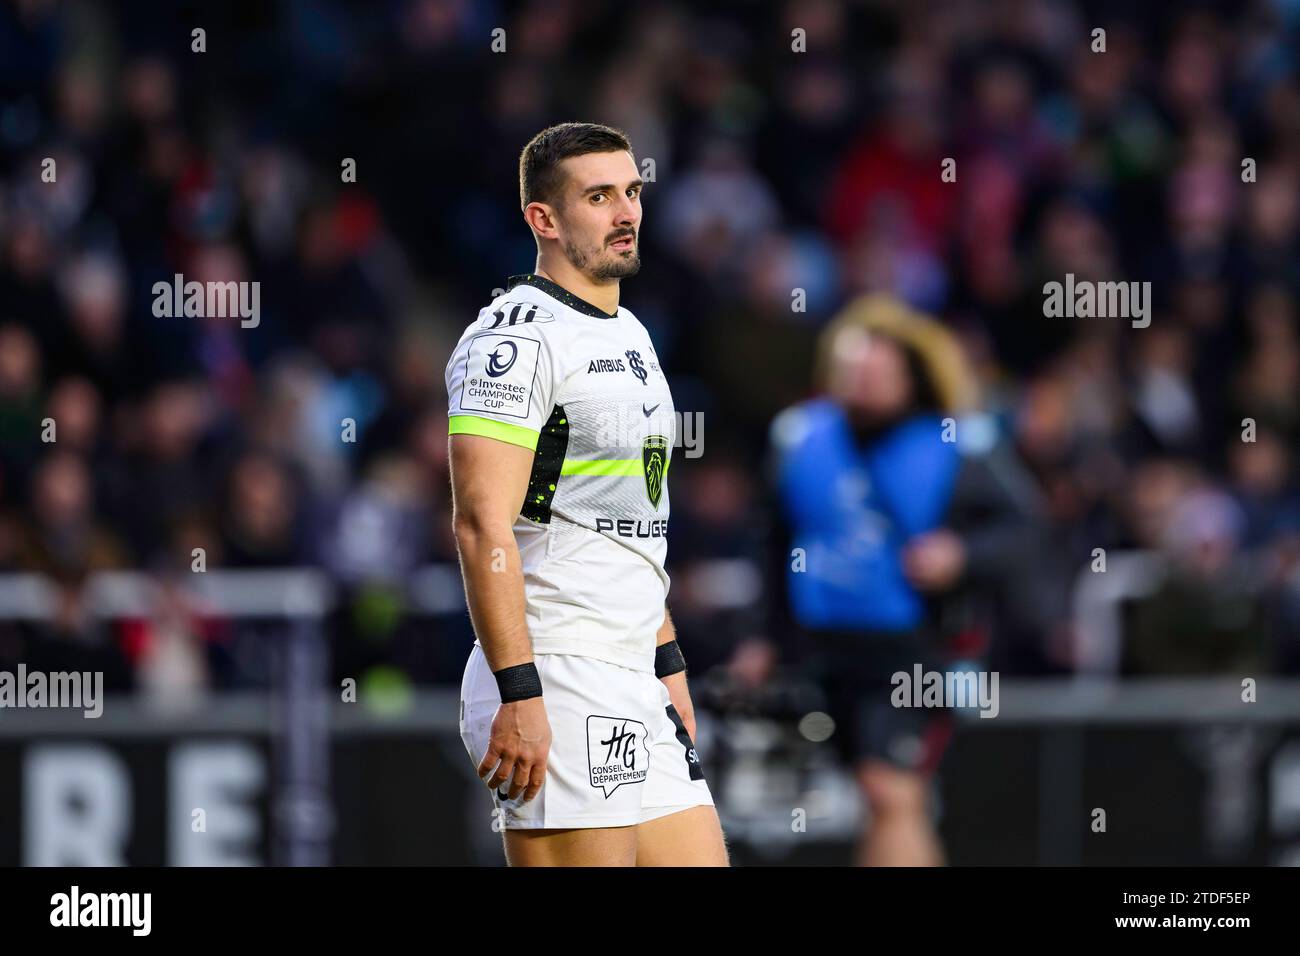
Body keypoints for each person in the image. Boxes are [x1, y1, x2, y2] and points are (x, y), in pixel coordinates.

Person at [445, 122, 727, 866]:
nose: (626, 212)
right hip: (557, 668)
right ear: (543, 218)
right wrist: (520, 691)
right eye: (598, 197)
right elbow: (481, 525)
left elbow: (630, 522)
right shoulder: (514, 340)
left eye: (632, 192)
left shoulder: (631, 332)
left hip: (631, 668)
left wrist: (668, 671)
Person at [767, 294, 1023, 866]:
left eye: (877, 371)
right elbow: (773, 544)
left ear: (910, 376)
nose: (862, 382)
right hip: (823, 647)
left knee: (892, 789)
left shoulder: (956, 443)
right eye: (852, 369)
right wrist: (764, 638)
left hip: (913, 650)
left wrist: (960, 554)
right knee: (881, 797)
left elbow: (1023, 531)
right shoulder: (800, 438)